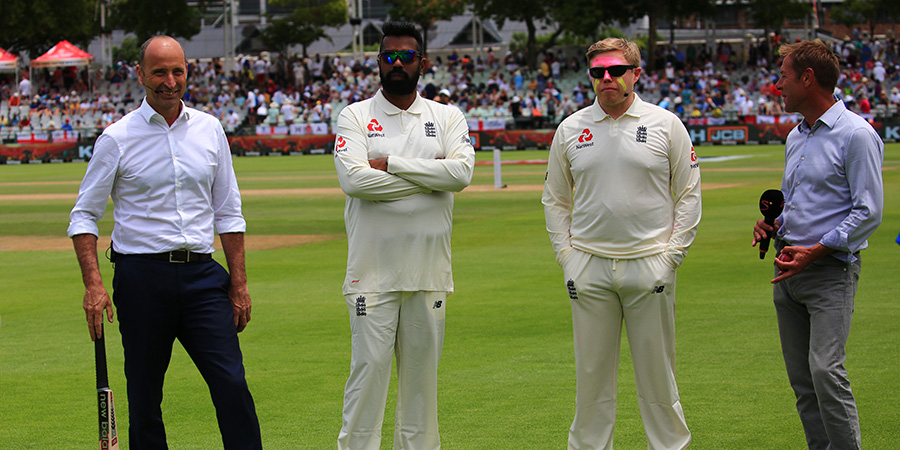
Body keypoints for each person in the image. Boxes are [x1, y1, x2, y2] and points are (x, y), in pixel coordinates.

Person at [67, 36, 262, 449]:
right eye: (159, 72)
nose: (170, 81)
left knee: (231, 383)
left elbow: (228, 212)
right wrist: (94, 285)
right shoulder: (116, 138)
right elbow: (84, 215)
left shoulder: (210, 129)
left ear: (187, 72)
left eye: (177, 71)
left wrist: (239, 284)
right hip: (142, 279)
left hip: (203, 277)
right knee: (144, 396)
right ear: (140, 75)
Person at [542, 37, 701, 450]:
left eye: (615, 70)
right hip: (589, 266)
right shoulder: (571, 128)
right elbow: (555, 199)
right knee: (591, 378)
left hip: (650, 264)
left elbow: (688, 195)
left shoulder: (666, 125)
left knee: (658, 378)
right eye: (598, 72)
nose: (607, 79)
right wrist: (568, 258)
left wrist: (671, 257)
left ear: (636, 73)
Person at [332, 21, 475, 450]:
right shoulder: (355, 115)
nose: (397, 64)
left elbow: (462, 173)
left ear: (422, 62)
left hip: (428, 273)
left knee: (420, 390)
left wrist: (390, 163)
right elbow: (355, 182)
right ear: (378, 63)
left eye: (406, 56)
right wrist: (433, 177)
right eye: (389, 57)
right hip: (371, 276)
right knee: (367, 380)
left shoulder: (447, 116)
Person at [752, 39, 883, 450]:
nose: (778, 86)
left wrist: (817, 250)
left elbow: (868, 212)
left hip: (828, 271)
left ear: (808, 78)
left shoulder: (856, 135)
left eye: (784, 77)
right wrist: (775, 226)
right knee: (804, 383)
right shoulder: (797, 136)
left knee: (826, 372)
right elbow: (800, 202)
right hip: (787, 269)